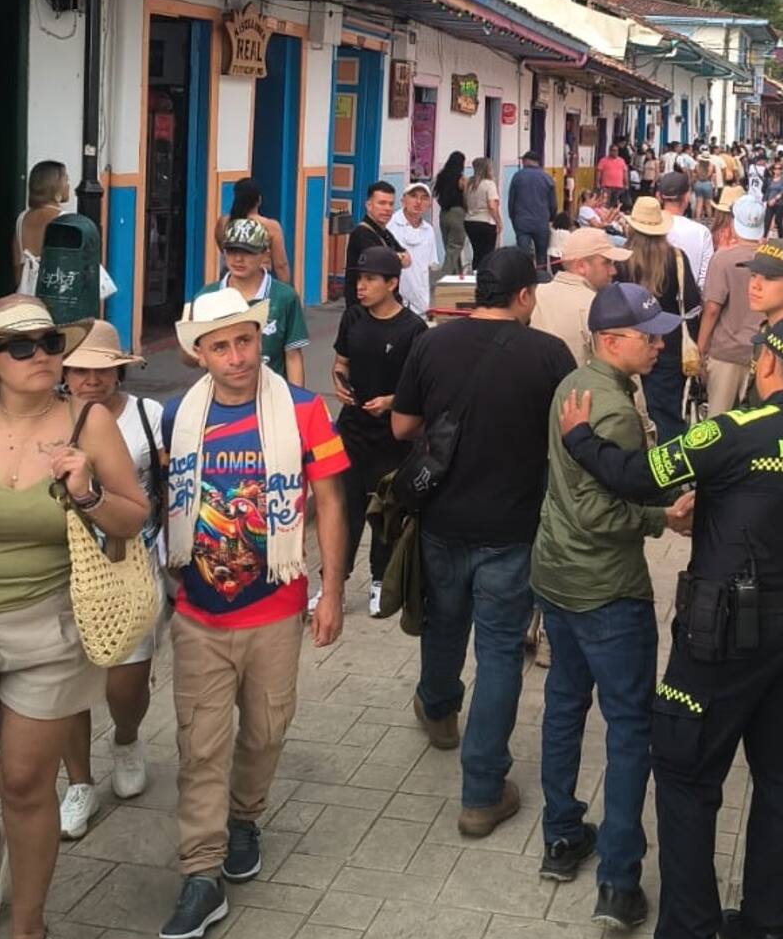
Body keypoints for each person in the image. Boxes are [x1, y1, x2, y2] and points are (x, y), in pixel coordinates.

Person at [558, 314, 783, 939]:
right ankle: (767, 931)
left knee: (686, 778)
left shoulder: (734, 430)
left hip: (724, 636)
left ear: (769, 364)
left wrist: (580, 438)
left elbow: (641, 475)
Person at [159, 288, 349, 939]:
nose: (237, 357)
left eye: (244, 341)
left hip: (275, 609)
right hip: (198, 614)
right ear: (200, 354)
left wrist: (333, 590)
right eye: (221, 346)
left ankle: (245, 817)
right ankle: (200, 872)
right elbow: (162, 497)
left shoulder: (303, 411)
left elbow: (330, 500)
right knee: (200, 744)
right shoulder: (178, 416)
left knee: (266, 732)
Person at [391, 249, 576, 837]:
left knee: (444, 623)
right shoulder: (549, 354)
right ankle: (481, 793)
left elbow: (401, 425)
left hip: (443, 520)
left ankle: (438, 709)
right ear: (523, 295)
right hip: (513, 529)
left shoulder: (433, 343)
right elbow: (569, 440)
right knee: (499, 653)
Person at [534, 283, 690, 928]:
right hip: (606, 590)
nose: (660, 346)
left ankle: (561, 836)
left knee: (565, 706)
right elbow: (598, 511)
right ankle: (619, 881)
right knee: (628, 727)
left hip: (557, 577)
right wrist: (663, 518)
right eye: (648, 337)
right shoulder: (617, 411)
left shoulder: (573, 386)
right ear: (609, 340)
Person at [0, 297, 147, 939]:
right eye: (21, 345)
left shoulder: (88, 421)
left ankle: (29, 933)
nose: (41, 354)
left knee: (24, 783)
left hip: (50, 629)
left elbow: (132, 518)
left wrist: (86, 490)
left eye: (49, 341)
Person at [58, 323, 168, 840]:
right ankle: (79, 782)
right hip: (65, 566)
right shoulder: (52, 418)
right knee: (65, 684)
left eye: (102, 369)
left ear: (119, 371)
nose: (91, 379)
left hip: (133, 562)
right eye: (79, 369)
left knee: (128, 681)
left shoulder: (148, 415)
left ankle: (126, 737)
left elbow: (167, 484)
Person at [330, 247, 427, 617]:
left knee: (384, 510)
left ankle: (380, 580)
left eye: (370, 279)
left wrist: (390, 401)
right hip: (351, 430)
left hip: (391, 435)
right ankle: (334, 582)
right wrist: (339, 382)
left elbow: (420, 387)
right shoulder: (352, 318)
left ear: (392, 284)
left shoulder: (413, 329)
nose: (361, 286)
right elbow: (341, 363)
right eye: (359, 279)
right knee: (345, 507)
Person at [619, 199, 701, 443]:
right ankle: (670, 460)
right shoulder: (676, 257)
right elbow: (692, 305)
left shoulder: (621, 259)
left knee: (628, 408)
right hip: (668, 343)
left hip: (627, 341)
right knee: (667, 413)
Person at [194, 220, 308, 385]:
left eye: (248, 252)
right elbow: (193, 354)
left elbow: (293, 356)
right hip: (221, 394)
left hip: (271, 393)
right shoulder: (206, 296)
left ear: (265, 254)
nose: (238, 259)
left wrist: (297, 399)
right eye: (231, 251)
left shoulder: (284, 297)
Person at [697, 196, 766, 415]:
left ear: (734, 224)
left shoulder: (723, 259)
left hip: (726, 351)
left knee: (719, 419)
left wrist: (700, 349)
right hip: (762, 352)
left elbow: (712, 309)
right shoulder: (770, 259)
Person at [531, 228, 631, 367]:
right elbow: (621, 367)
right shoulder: (600, 308)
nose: (613, 271)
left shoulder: (535, 295)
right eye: (607, 262)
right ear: (581, 266)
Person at [213, 178, 291, 284]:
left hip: (230, 278)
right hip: (257, 279)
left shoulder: (224, 222)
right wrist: (286, 289)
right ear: (259, 200)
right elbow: (281, 265)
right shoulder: (271, 226)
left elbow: (223, 249)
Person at [344, 181, 407, 307]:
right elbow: (382, 262)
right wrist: (397, 257)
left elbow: (407, 260)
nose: (387, 208)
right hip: (365, 308)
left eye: (391, 204)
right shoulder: (361, 233)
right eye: (382, 203)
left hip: (385, 304)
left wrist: (396, 257)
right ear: (369, 205)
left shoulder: (385, 233)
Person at [12, 159, 69, 296]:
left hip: (27, 298)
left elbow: (18, 271)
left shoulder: (22, 219)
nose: (68, 185)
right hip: (54, 298)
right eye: (66, 180)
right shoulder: (66, 220)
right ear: (56, 187)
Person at [387, 182, 441, 318]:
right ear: (403, 200)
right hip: (393, 300)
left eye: (424, 198)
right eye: (413, 196)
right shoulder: (390, 226)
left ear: (429, 204)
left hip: (420, 302)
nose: (418, 202)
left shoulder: (428, 230)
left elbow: (430, 266)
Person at [658, 172, 713, 290]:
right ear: (686, 197)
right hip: (689, 298)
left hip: (649, 297)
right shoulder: (701, 232)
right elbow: (705, 279)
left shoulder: (646, 226)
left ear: (659, 196)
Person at [508, 151, 558, 270]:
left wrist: (513, 219)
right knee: (541, 256)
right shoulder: (547, 178)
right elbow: (553, 204)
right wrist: (551, 218)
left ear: (526, 161)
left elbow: (511, 202)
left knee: (523, 255)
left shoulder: (517, 177)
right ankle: (541, 277)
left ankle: (524, 277)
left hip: (522, 222)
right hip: (541, 222)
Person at [433, 151, 468, 276]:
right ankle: (445, 274)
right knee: (455, 246)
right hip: (457, 213)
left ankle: (456, 275)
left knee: (448, 245)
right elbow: (466, 196)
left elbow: (435, 194)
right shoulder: (461, 179)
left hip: (444, 214)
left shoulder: (441, 176)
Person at [464, 156, 503, 269]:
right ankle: (485, 275)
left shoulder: (469, 184)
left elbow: (465, 203)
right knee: (488, 254)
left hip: (470, 221)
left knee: (477, 253)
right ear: (487, 168)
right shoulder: (489, 184)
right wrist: (498, 221)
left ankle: (476, 274)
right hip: (486, 222)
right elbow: (492, 206)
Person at [763, 161, 783, 238]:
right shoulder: (769, 180)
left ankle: (781, 239)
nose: (777, 170)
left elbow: (782, 192)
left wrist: (774, 200)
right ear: (773, 170)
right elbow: (766, 190)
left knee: (779, 222)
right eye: (776, 168)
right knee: (767, 221)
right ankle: (764, 237)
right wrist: (766, 200)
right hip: (769, 203)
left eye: (779, 169)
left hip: (779, 204)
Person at [693, 152, 716, 221]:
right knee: (708, 204)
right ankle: (709, 219)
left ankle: (698, 219)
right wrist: (715, 187)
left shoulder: (697, 165)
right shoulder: (712, 166)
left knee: (699, 203)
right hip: (707, 184)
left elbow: (694, 176)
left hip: (698, 184)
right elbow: (713, 177)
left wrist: (695, 182)